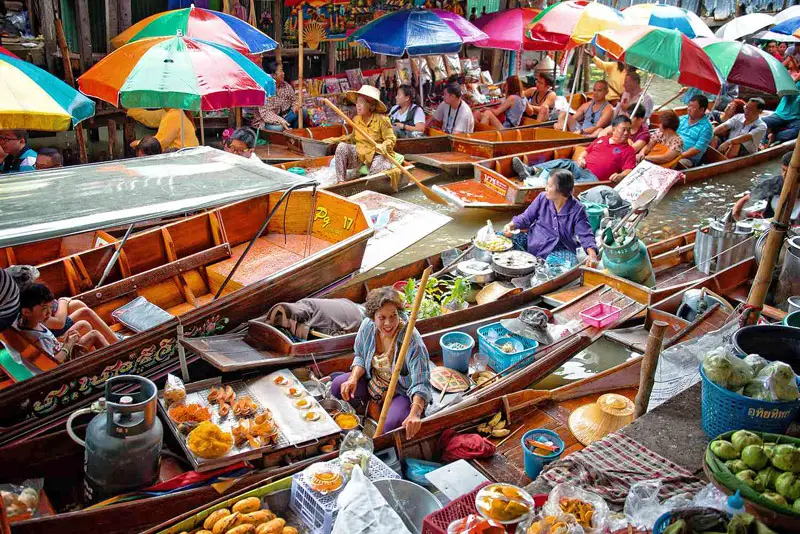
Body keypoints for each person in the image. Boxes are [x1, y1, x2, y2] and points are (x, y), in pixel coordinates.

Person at [331, 287, 431, 437]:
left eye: (393, 316)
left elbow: (421, 382)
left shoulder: (411, 340)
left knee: (390, 427)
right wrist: (353, 378)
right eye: (382, 318)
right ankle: (371, 404)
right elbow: (360, 356)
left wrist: (415, 413)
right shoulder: (367, 326)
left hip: (400, 392)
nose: (388, 323)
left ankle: (388, 408)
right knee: (338, 386)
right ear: (373, 317)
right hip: (374, 382)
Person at [501, 170, 598, 268]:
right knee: (501, 237)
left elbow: (585, 234)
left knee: (566, 266)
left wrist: (592, 255)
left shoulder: (577, 209)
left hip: (557, 250)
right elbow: (526, 218)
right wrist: (510, 225)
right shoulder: (542, 198)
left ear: (561, 191)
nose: (546, 188)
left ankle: (537, 268)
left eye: (549, 185)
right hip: (533, 242)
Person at [512, 115, 636, 184]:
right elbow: (586, 151)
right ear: (614, 129)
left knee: (568, 182)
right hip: (581, 167)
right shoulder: (602, 139)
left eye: (628, 130)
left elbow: (629, 171)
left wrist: (619, 175)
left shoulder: (628, 150)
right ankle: (531, 170)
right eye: (623, 129)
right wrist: (581, 158)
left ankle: (540, 184)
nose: (626, 133)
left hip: (595, 179)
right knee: (564, 162)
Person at [15, 284, 109, 363]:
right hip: (66, 364)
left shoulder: (32, 323)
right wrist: (68, 345)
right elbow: (55, 363)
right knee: (94, 335)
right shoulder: (39, 338)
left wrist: (65, 340)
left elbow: (51, 343)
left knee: (83, 325)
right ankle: (115, 362)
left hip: (61, 350)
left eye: (50, 307)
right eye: (44, 308)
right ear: (26, 312)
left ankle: (98, 361)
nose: (49, 313)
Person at [323, 85, 397, 182]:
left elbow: (391, 139)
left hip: (378, 154)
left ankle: (367, 185)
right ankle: (340, 182)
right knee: (341, 147)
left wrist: (383, 146)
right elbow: (352, 138)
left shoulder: (382, 120)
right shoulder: (356, 119)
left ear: (371, 105)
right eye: (357, 102)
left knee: (380, 164)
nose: (357, 105)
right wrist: (333, 140)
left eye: (361, 102)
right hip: (361, 155)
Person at [732, 152, 799, 225]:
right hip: (772, 222)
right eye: (783, 170)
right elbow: (748, 198)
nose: (784, 175)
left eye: (789, 172)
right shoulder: (776, 182)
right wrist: (737, 211)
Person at [253, 61, 302, 132]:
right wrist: (281, 121)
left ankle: (291, 130)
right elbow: (266, 113)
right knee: (279, 128)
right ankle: (286, 129)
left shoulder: (286, 86)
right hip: (267, 121)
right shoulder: (265, 90)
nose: (283, 73)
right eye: (281, 71)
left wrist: (295, 105)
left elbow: (294, 100)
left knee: (302, 112)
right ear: (273, 75)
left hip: (284, 117)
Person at [128, 108, 199, 152]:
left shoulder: (173, 115)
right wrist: (130, 110)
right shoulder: (172, 111)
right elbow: (151, 117)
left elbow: (159, 143)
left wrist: (138, 143)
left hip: (182, 156)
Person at [761, 71, 800, 147]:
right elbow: (781, 93)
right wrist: (795, 81)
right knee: (761, 122)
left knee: (796, 131)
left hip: (796, 118)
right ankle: (761, 144)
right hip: (781, 114)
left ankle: (774, 137)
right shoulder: (792, 78)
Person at [677, 94, 714, 168]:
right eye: (689, 105)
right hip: (672, 149)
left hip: (687, 158)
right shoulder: (681, 119)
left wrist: (678, 156)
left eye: (693, 107)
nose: (689, 109)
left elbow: (697, 149)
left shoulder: (707, 128)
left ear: (701, 110)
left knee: (675, 163)